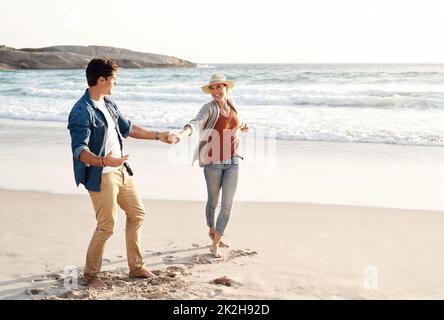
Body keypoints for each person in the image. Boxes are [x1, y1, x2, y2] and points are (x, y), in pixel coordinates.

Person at [67, 58, 171, 289]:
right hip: (101, 175)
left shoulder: (109, 104)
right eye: (114, 79)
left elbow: (129, 128)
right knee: (107, 226)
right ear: (102, 79)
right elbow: (80, 151)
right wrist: (105, 161)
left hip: (122, 170)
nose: (116, 83)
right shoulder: (81, 111)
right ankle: (91, 275)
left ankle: (136, 267)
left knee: (137, 214)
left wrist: (158, 135)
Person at [168, 73, 249, 258]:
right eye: (212, 88)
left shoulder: (232, 104)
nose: (215, 91)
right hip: (213, 162)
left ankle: (216, 241)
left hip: (233, 160)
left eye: (219, 87)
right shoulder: (208, 108)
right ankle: (212, 230)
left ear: (226, 88)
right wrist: (181, 134)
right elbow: (195, 124)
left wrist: (245, 126)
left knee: (227, 204)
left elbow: (238, 121)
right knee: (213, 201)